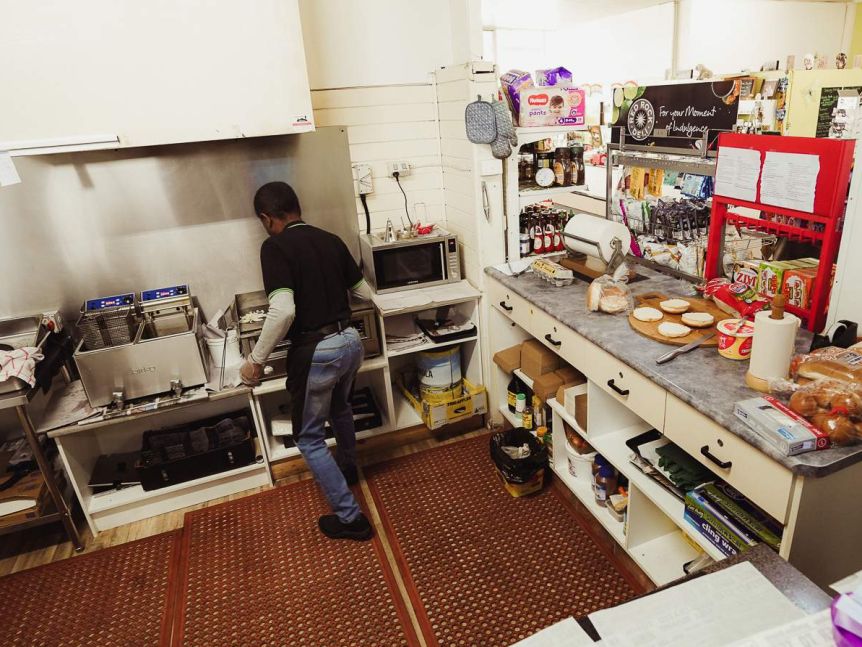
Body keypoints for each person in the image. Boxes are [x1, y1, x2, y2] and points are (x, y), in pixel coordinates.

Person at [240, 181, 373, 541]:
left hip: (319, 350)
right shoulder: (330, 239)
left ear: (267, 218)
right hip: (350, 341)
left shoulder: (274, 247)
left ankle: (350, 519)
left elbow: (283, 311)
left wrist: (254, 360)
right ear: (297, 207)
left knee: (309, 437)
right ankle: (349, 468)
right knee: (341, 409)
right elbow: (362, 290)